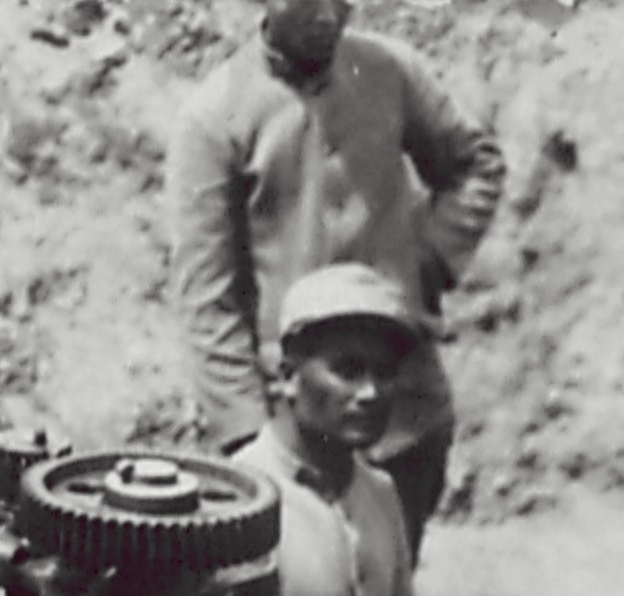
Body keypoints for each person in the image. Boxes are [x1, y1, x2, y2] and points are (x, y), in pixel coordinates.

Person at [166, 0, 506, 562]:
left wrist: (427, 262)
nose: (328, 15)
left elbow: (476, 164)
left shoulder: (389, 71)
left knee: (388, 584)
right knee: (299, 595)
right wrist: (251, 445)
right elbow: (207, 300)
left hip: (403, 413)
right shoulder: (215, 117)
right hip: (294, 428)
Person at [211, 262, 426, 596]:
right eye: (348, 370)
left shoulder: (380, 495)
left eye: (385, 373)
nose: (370, 392)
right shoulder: (238, 500)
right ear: (288, 376)